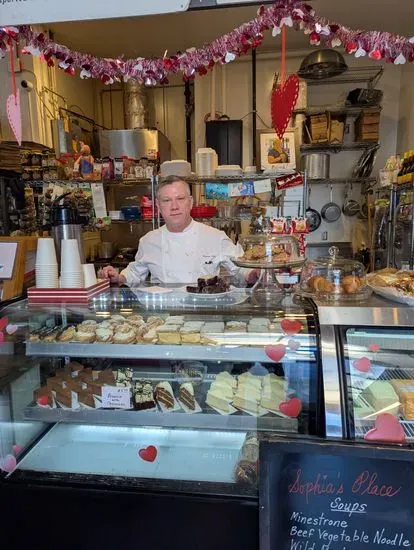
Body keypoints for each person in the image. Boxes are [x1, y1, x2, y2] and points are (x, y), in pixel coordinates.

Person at [101, 175, 255, 286]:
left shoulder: (215, 237)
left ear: (190, 202)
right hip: (164, 314)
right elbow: (135, 273)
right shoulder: (148, 241)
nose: (174, 206)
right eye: (167, 200)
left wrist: (255, 273)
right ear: (158, 206)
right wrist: (118, 277)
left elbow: (241, 270)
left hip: (204, 312)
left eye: (180, 199)